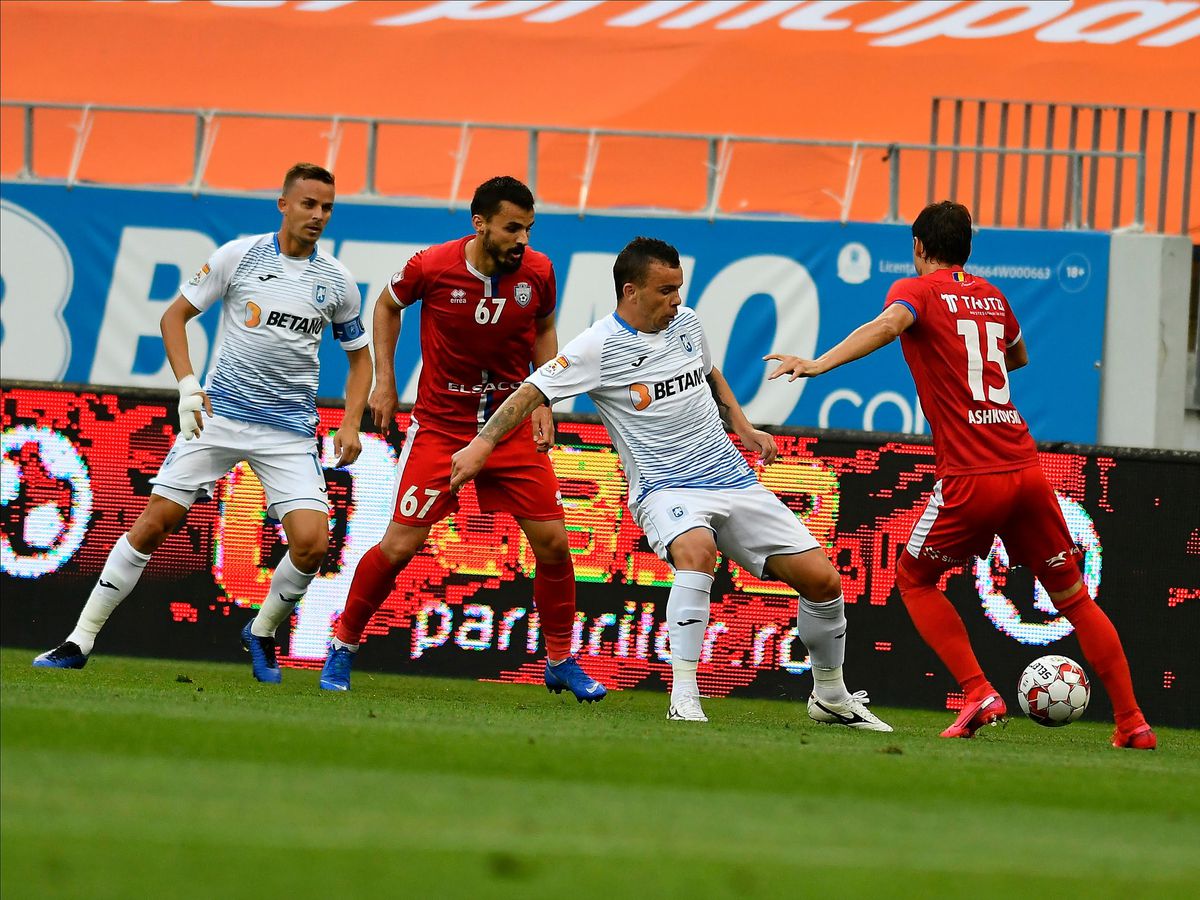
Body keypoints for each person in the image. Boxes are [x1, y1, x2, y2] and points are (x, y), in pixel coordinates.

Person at [450, 236, 891, 729]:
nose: (676, 300)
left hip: (730, 475)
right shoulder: (597, 345)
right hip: (664, 487)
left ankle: (831, 696)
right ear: (631, 291)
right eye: (665, 291)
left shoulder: (687, 323)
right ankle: (684, 695)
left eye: (679, 288)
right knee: (698, 552)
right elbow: (531, 391)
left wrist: (743, 428)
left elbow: (709, 373)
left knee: (824, 582)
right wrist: (483, 444)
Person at [765, 200, 1155, 750]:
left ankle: (977, 691)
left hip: (971, 475)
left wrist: (818, 364)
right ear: (967, 249)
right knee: (1075, 600)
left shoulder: (915, 291)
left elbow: (889, 324)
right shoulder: (994, 297)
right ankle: (1133, 723)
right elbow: (1016, 356)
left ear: (919, 248)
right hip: (1024, 467)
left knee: (914, 579)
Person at [34, 162, 372, 683]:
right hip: (219, 419)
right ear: (283, 204)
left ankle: (260, 633)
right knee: (154, 524)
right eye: (309, 204)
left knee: (313, 545)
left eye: (327, 207)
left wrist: (351, 422)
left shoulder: (337, 283)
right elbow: (174, 316)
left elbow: (359, 357)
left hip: (287, 432)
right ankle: (78, 640)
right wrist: (188, 385)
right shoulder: (238, 256)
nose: (318, 215)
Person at [319, 176, 605, 702]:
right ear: (480, 224)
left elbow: (544, 332)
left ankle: (561, 660)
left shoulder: (538, 272)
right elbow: (385, 306)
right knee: (401, 544)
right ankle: (343, 644)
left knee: (555, 543)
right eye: (512, 228)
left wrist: (542, 398)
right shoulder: (431, 265)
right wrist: (385, 381)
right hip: (441, 429)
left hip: (509, 427)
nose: (523, 239)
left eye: (529, 228)